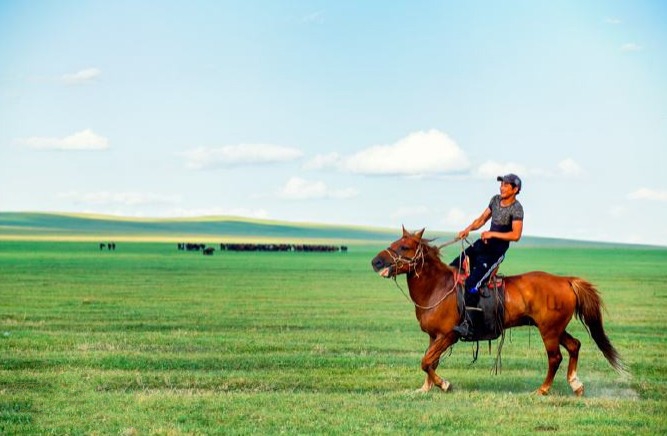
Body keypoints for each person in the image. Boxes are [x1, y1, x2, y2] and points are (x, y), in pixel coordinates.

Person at [450, 174, 524, 338]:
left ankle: (470, 325)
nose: (502, 187)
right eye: (502, 184)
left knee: (471, 283)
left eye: (506, 185)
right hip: (481, 246)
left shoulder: (517, 208)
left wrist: (492, 234)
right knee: (453, 267)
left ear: (515, 189)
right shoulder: (495, 200)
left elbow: (516, 235)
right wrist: (468, 229)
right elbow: (482, 219)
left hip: (494, 253)